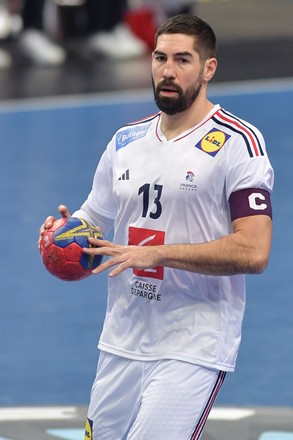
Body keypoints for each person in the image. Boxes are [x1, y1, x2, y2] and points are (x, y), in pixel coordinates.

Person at [39, 14, 274, 439]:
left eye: (183, 60)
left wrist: (157, 253)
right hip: (123, 336)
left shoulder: (239, 144)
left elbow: (254, 251)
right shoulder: (125, 142)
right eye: (160, 57)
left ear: (209, 68)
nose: (168, 71)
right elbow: (95, 216)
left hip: (194, 342)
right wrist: (67, 232)